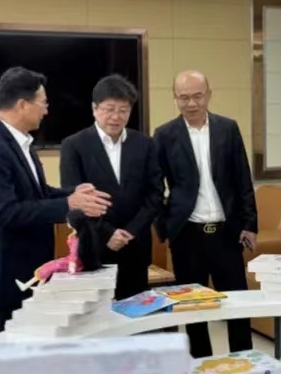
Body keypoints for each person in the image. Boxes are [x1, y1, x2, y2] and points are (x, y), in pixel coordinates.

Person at [0, 66, 111, 335]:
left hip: (29, 265)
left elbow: (37, 193)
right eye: (43, 103)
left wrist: (73, 193)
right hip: (7, 271)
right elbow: (7, 212)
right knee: (8, 349)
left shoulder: (20, 142)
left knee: (30, 346)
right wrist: (69, 204)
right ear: (23, 104)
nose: (46, 110)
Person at [153, 70, 257, 358]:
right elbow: (154, 186)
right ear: (175, 98)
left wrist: (250, 224)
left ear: (209, 94)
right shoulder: (164, 135)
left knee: (237, 306)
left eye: (197, 96)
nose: (191, 103)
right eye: (184, 97)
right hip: (187, 235)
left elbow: (243, 179)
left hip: (226, 233)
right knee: (193, 309)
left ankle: (245, 363)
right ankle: (201, 367)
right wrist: (165, 226)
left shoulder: (228, 128)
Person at [60, 74, 162, 300]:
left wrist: (130, 232)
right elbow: (75, 202)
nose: (116, 117)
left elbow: (154, 195)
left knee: (137, 312)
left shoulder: (144, 144)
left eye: (123, 110)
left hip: (136, 246)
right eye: (109, 109)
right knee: (98, 315)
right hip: (95, 247)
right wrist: (108, 233)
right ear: (94, 109)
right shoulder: (74, 145)